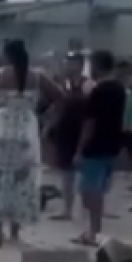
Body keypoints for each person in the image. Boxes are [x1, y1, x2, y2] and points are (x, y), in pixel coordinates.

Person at [0, 39, 64, 247]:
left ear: (7, 55)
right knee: (23, 179)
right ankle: (15, 228)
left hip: (0, 126)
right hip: (27, 128)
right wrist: (47, 123)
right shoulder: (38, 77)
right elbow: (61, 97)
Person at [75, 49, 126, 244]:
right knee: (98, 189)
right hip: (112, 144)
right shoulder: (119, 90)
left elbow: (90, 122)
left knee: (89, 191)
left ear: (97, 65)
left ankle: (93, 231)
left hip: (94, 145)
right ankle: (93, 229)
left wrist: (80, 149)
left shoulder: (98, 91)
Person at [46, 53, 88, 220]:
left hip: (81, 131)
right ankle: (67, 209)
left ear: (79, 64)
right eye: (66, 62)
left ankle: (86, 208)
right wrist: (51, 125)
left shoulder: (87, 85)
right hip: (64, 131)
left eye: (71, 63)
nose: (67, 66)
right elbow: (57, 106)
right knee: (65, 173)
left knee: (82, 171)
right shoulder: (64, 85)